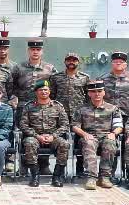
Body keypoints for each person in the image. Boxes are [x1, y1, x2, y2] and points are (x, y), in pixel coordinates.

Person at [13, 40, 57, 174]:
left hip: (43, 108)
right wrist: (14, 99)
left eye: (38, 50)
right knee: (24, 136)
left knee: (45, 133)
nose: (35, 52)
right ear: (28, 51)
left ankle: (44, 165)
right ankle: (24, 166)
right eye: (32, 49)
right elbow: (11, 85)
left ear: (41, 51)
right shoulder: (19, 68)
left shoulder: (49, 68)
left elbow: (54, 87)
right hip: (23, 107)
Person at [98, 51, 129, 178]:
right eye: (115, 62)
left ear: (126, 64)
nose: (118, 63)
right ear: (111, 63)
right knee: (110, 144)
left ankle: (128, 173)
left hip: (128, 116)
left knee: (128, 144)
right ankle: (109, 173)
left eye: (121, 62)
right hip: (109, 117)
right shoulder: (103, 78)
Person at [72, 80, 125, 190]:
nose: (97, 94)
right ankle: (91, 178)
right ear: (89, 93)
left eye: (99, 91)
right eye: (93, 91)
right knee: (89, 143)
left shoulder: (113, 109)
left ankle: (104, 177)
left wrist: (113, 134)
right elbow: (75, 126)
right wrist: (84, 134)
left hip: (107, 135)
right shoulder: (81, 109)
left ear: (104, 93)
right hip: (89, 136)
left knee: (110, 143)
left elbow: (119, 126)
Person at [20, 79, 70, 188]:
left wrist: (53, 136)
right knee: (29, 143)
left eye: (46, 90)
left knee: (64, 144)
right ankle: (35, 176)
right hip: (35, 137)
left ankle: (57, 176)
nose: (44, 92)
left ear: (49, 91)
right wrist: (37, 136)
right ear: (36, 92)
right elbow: (23, 125)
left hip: (53, 137)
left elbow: (65, 125)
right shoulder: (29, 106)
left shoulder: (58, 106)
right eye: (41, 90)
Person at [51, 53, 90, 125]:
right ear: (65, 62)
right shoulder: (56, 77)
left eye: (74, 60)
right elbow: (52, 95)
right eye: (68, 60)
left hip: (78, 112)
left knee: (77, 134)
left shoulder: (85, 78)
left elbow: (89, 96)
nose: (71, 62)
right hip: (61, 112)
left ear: (78, 62)